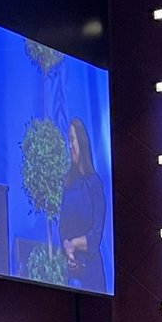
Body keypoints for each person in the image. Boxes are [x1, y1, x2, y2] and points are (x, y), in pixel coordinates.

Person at [59, 117, 107, 293]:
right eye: (68, 140)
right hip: (70, 269)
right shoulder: (68, 185)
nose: (69, 146)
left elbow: (96, 234)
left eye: (72, 140)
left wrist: (74, 244)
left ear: (81, 141)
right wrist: (68, 249)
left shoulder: (94, 184)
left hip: (91, 270)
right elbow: (62, 226)